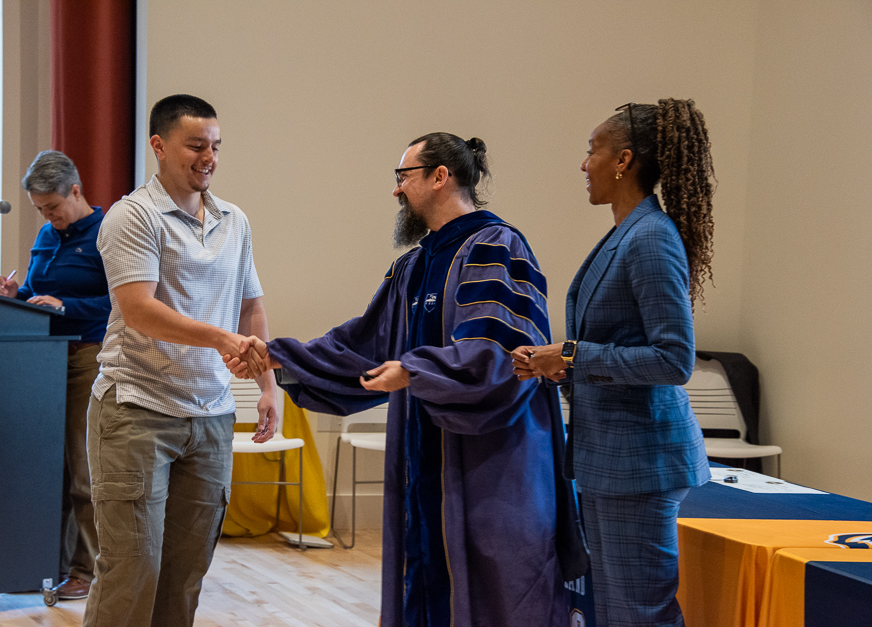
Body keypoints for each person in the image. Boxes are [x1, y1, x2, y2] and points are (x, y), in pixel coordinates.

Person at [227, 132, 588, 627]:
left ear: (441, 177)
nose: (395, 191)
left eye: (403, 177)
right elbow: (362, 346)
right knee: (423, 587)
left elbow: (502, 355)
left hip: (491, 468)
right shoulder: (414, 266)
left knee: (496, 596)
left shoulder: (497, 246)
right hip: (424, 466)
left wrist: (414, 371)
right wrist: (276, 356)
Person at [512, 99, 715, 626]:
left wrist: (574, 354)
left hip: (640, 462)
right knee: (619, 613)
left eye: (592, 151)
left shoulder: (651, 238)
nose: (585, 165)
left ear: (623, 160)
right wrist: (555, 364)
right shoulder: (626, 232)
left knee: (639, 616)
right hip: (610, 460)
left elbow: (674, 359)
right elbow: (613, 345)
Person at [83, 94, 275, 627]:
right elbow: (141, 311)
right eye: (195, 145)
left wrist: (267, 388)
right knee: (132, 569)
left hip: (210, 416)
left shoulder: (234, 220)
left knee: (186, 571)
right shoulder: (133, 216)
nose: (207, 156)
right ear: (159, 146)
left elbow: (251, 303)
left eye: (214, 146)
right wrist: (222, 340)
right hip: (136, 412)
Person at [0, 150, 110, 600]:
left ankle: (86, 570)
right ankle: (47, 565)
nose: (48, 217)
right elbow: (40, 293)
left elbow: (123, 303)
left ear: (76, 191)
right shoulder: (45, 235)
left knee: (82, 470)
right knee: (46, 468)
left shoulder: (106, 234)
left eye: (53, 208)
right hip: (41, 358)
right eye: (41, 210)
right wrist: (15, 294)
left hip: (88, 355)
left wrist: (68, 307)